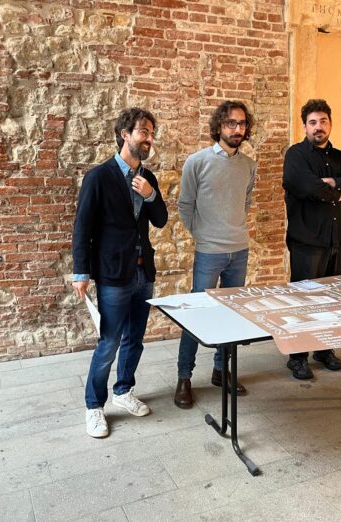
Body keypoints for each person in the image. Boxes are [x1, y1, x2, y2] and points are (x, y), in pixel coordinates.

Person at [72, 108, 168, 437]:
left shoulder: (148, 178)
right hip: (113, 273)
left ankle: (124, 390)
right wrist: (80, 272)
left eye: (152, 133)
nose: (149, 138)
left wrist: (151, 195)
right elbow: (82, 228)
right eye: (143, 131)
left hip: (143, 273)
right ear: (125, 134)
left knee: (135, 339)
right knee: (109, 341)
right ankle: (94, 406)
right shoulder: (99, 177)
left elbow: (160, 220)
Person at [174, 100, 257, 409]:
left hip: (240, 249)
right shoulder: (197, 162)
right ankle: (184, 378)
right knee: (196, 314)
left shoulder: (248, 165)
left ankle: (222, 371)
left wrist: (232, 229)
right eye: (231, 123)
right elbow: (185, 205)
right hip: (209, 251)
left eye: (242, 124)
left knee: (231, 314)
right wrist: (203, 235)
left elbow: (245, 203)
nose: (237, 129)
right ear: (219, 126)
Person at [282, 99, 341, 380]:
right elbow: (304, 186)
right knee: (304, 303)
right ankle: (297, 357)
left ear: (330, 124)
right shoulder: (295, 155)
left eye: (323, 121)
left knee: (334, 300)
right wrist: (338, 188)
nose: (319, 127)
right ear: (305, 126)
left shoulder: (339, 156)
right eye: (313, 122)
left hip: (338, 239)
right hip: (308, 241)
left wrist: (334, 183)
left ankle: (324, 349)